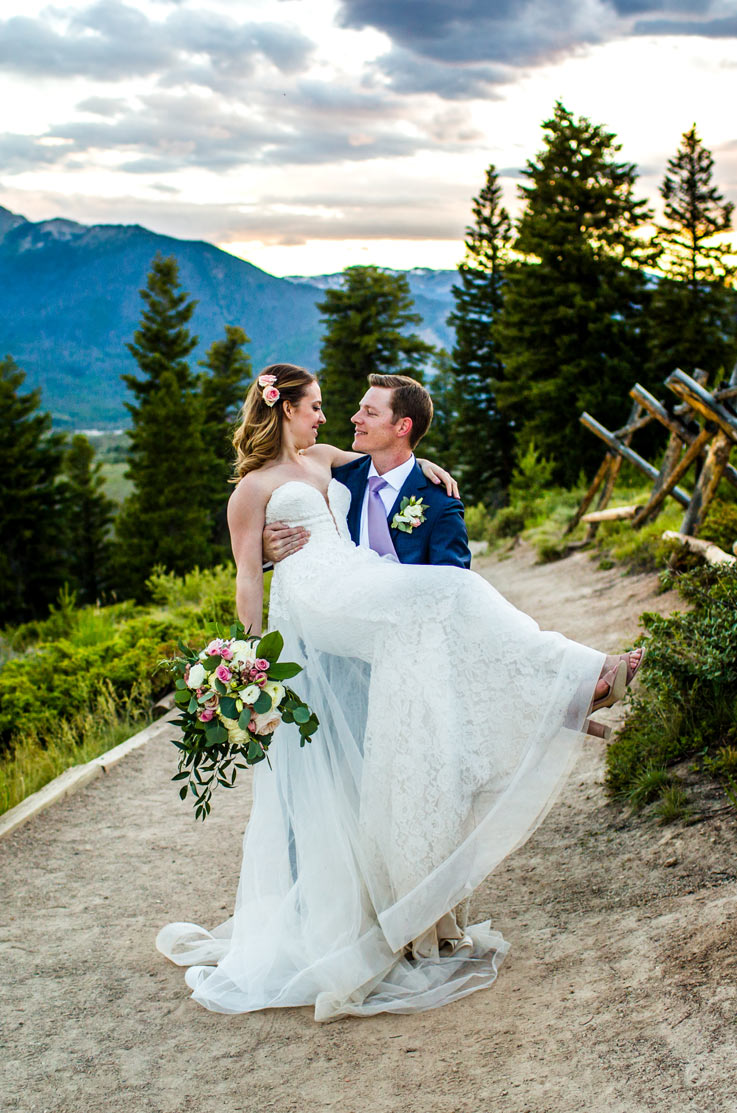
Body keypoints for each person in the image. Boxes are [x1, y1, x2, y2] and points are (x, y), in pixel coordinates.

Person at [157, 363, 642, 1021]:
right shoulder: (251, 488)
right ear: (283, 408)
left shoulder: (329, 459)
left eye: (333, 406)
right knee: (450, 591)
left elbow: (391, 459)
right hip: (320, 600)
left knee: (443, 611)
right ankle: (576, 681)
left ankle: (552, 698)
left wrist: (431, 464)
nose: (327, 417)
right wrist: (252, 663)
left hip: (361, 581)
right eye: (316, 406)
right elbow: (248, 577)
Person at [262, 373, 472, 570]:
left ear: (402, 427)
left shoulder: (441, 504)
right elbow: (309, 539)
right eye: (360, 409)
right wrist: (265, 552)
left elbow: (453, 588)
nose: (355, 418)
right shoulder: (336, 481)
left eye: (370, 413)